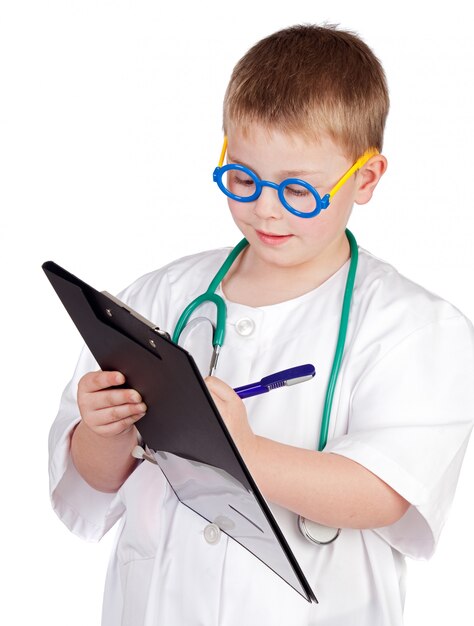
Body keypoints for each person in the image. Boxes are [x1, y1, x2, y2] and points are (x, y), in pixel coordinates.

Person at [49, 24, 474, 625]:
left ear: (367, 178)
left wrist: (243, 451)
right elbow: (93, 481)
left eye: (300, 191)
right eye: (244, 179)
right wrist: (104, 429)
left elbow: (385, 491)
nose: (266, 208)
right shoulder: (161, 298)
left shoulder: (415, 328)